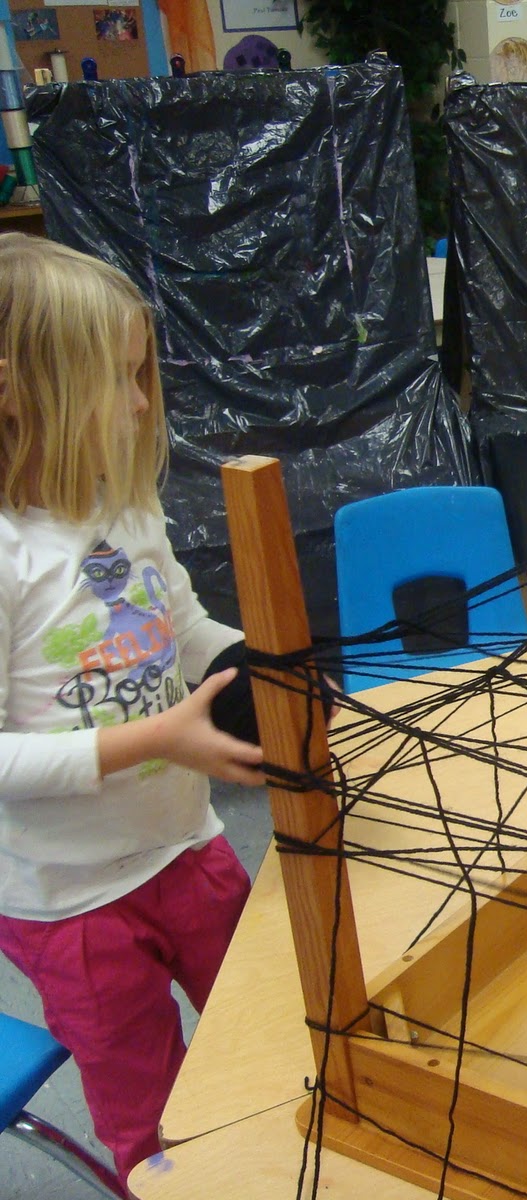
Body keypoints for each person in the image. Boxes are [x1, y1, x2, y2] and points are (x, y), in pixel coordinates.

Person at [0, 233, 266, 1185]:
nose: (143, 402)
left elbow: (181, 621)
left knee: (270, 1032)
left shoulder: (125, 508)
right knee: (150, 1120)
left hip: (183, 847)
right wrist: (156, 738)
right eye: (119, 378)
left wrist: (248, 664)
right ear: (18, 391)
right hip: (72, 907)